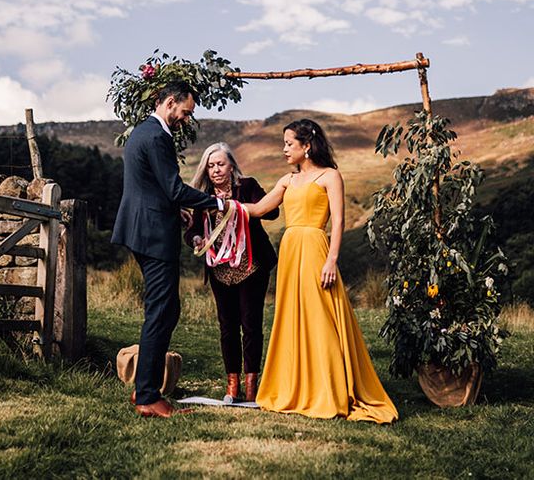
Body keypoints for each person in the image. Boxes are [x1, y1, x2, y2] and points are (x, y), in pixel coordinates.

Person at [243, 118, 398, 424]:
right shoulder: (287, 180)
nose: (284, 149)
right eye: (284, 144)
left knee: (321, 316)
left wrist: (332, 260)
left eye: (289, 143)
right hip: (290, 251)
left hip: (315, 248)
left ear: (307, 146)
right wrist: (218, 205)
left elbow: (338, 221)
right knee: (292, 316)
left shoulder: (330, 176)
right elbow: (258, 209)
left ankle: (330, 388)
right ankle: (296, 385)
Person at [111, 80, 227, 419]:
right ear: (170, 102)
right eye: (186, 111)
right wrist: (217, 202)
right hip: (153, 235)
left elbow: (152, 187)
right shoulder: (158, 136)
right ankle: (148, 396)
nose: (186, 119)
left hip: (142, 229)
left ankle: (145, 388)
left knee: (166, 309)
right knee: (161, 312)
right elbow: (175, 189)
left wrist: (176, 207)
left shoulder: (141, 132)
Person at [184, 143, 279, 402]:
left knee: (251, 325)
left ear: (231, 166)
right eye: (211, 165)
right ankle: (231, 386)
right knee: (227, 327)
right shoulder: (202, 195)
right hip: (220, 271)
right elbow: (191, 230)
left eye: (220, 164)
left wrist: (239, 207)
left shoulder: (247, 186)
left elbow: (272, 211)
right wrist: (196, 240)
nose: (215, 170)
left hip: (252, 267)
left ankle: (251, 386)